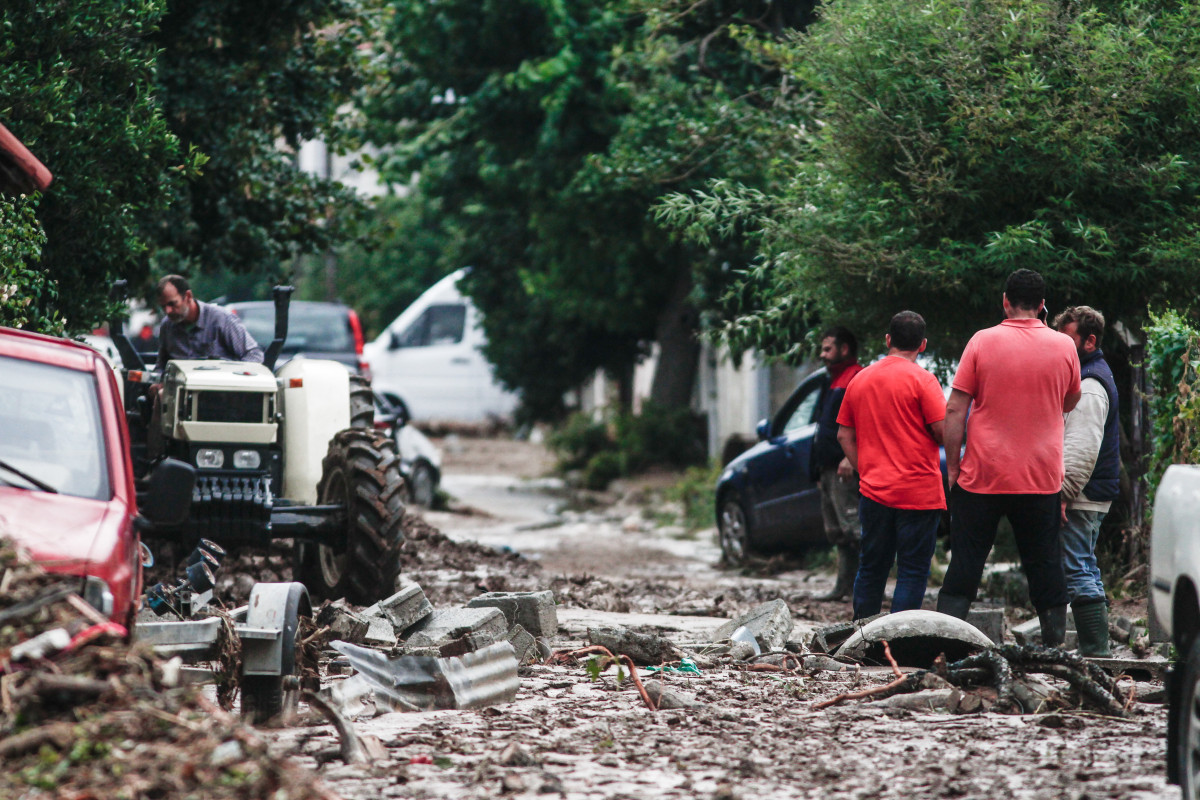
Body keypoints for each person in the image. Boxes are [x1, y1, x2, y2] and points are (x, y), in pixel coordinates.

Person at [937, 269, 1081, 647]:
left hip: (983, 473)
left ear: (1005, 301)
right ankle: (1054, 649)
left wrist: (953, 465)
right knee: (1046, 564)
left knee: (966, 562)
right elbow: (1070, 400)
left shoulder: (982, 342)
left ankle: (943, 646)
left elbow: (954, 411)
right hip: (1040, 475)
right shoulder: (1065, 346)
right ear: (1043, 305)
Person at [836, 311, 946, 620]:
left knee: (872, 567)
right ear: (922, 345)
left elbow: (844, 434)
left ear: (888, 340)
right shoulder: (924, 381)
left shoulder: (861, 379)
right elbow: (941, 430)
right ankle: (899, 643)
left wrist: (865, 469)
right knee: (912, 571)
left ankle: (862, 638)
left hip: (875, 492)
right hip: (919, 492)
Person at [1053, 305, 1120, 657]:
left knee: (1077, 568)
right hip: (1089, 492)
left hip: (1082, 494)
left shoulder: (1090, 385)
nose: (1060, 348)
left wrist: (1063, 494)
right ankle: (1097, 649)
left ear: (1089, 341)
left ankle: (1096, 651)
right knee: (1085, 565)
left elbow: (1081, 448)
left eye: (1067, 340)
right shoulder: (1091, 376)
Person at [810, 326, 864, 602]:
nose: (822, 354)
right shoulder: (832, 380)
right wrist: (817, 468)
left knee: (854, 529)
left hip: (845, 468)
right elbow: (823, 427)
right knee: (837, 531)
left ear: (844, 349)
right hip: (828, 468)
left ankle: (865, 589)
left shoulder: (856, 378)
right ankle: (843, 587)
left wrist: (849, 457)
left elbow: (865, 424)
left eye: (827, 348)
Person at [154, 274, 263, 370]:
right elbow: (161, 366)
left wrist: (235, 377)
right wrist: (157, 382)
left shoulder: (221, 319)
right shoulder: (167, 326)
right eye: (163, 306)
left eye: (172, 304)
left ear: (188, 296)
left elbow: (254, 355)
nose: (167, 311)